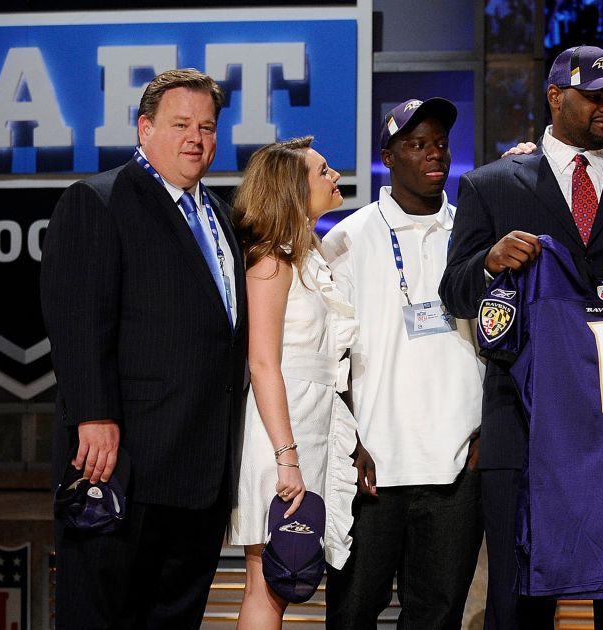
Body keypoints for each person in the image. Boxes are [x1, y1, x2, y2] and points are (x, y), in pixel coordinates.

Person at [439, 44, 603, 630]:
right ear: (555, 97)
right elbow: (453, 291)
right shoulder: (492, 185)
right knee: (518, 598)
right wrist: (488, 264)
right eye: (594, 95)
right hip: (522, 419)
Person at [40, 68, 248, 628]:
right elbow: (79, 320)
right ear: (144, 127)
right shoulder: (98, 201)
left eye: (206, 127)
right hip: (121, 468)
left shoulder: (222, 217)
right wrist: (93, 414)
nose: (195, 139)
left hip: (200, 475)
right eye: (180, 124)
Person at [322, 98, 484, 629]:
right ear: (388, 157)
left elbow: (497, 341)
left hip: (456, 464)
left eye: (439, 144)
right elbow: (330, 354)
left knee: (437, 618)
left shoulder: (472, 236)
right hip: (373, 465)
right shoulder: (348, 238)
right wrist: (348, 440)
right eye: (417, 145)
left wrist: (488, 430)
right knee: (353, 614)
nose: (434, 154)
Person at [225, 137, 358, 628]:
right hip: (279, 432)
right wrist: (286, 458)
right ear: (292, 189)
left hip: (311, 425)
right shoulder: (270, 261)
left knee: (287, 575)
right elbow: (262, 362)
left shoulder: (306, 255)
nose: (335, 177)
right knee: (268, 578)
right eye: (323, 171)